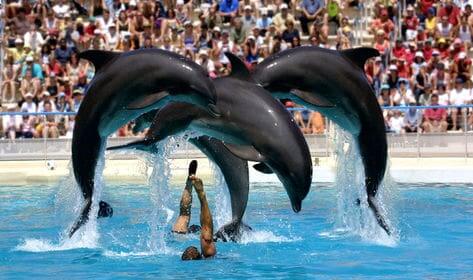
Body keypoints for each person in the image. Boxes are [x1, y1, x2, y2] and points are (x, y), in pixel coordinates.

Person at [181, 160, 216, 261]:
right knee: (183, 217)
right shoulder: (209, 257)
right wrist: (201, 195)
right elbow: (207, 230)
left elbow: (206, 230)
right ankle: (189, 184)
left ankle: (189, 184)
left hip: (178, 236)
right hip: (180, 236)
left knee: (183, 217)